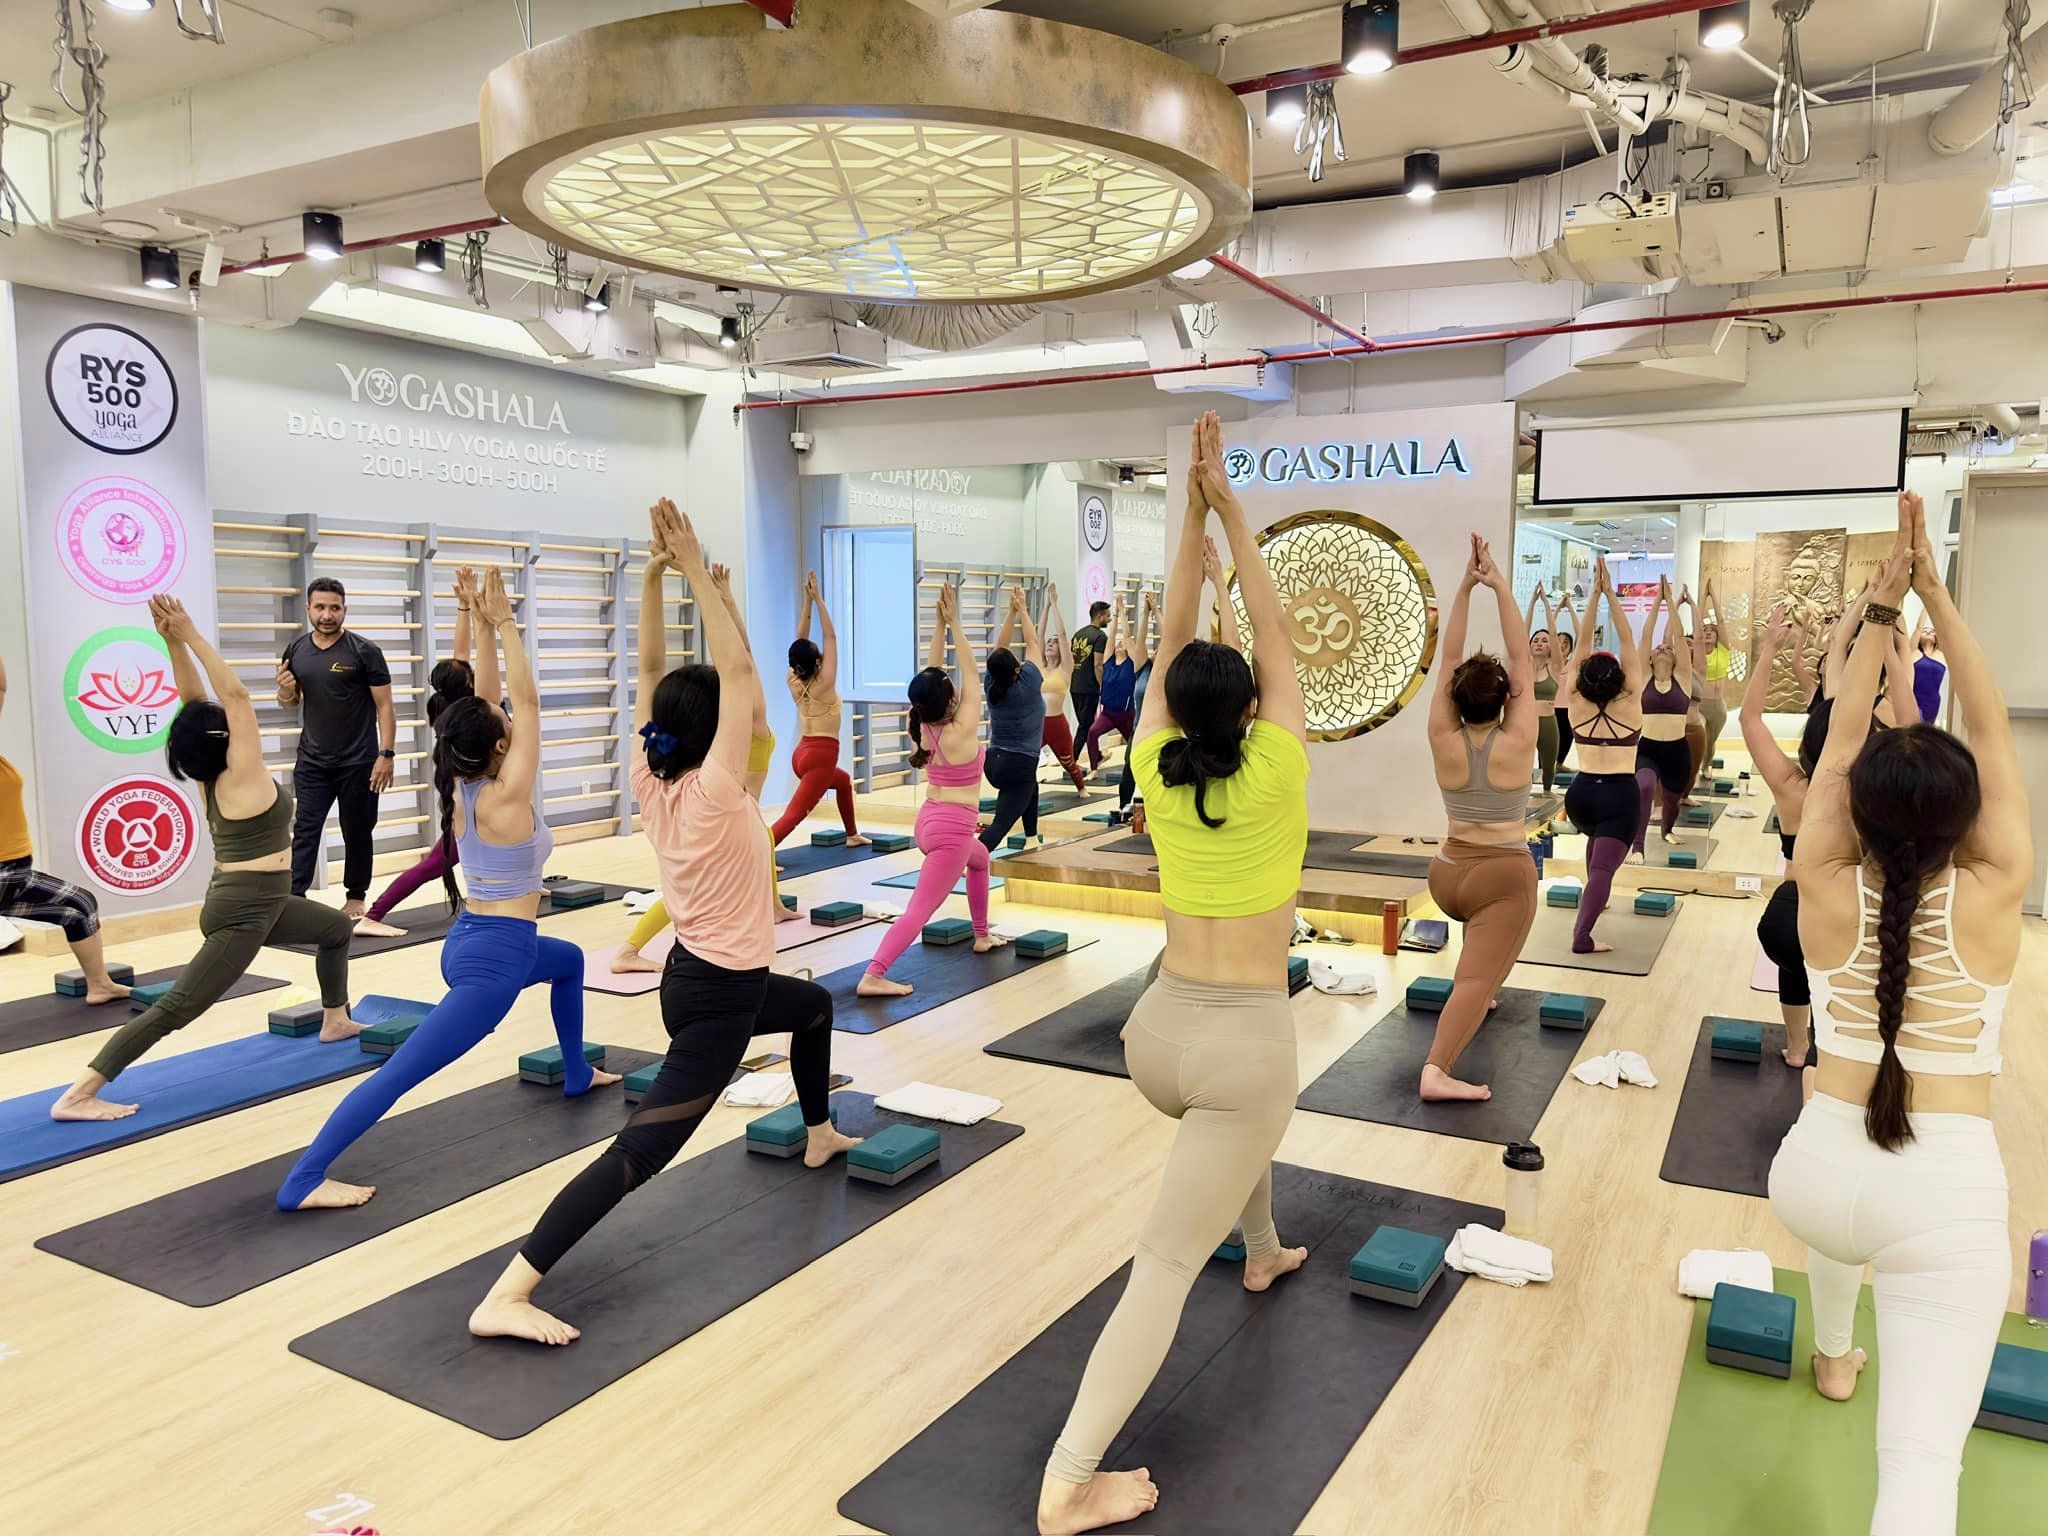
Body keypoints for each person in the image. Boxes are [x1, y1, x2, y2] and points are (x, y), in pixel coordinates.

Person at [466, 498, 858, 1345]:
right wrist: (690, 568)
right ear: (710, 731)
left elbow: (649, 667)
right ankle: (509, 1292)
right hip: (717, 1003)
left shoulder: (653, 782)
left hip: (700, 979)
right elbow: (738, 675)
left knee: (813, 1008)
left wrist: (654, 576)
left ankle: (820, 1132)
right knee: (639, 1155)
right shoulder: (716, 790)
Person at [1037, 413, 1310, 1536]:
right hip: (1242, 1047)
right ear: (1250, 711)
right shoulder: (1280, 761)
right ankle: (1068, 1479)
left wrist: (1192, 519)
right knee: (1161, 1263)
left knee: (1229, 1143)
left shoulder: (1151, 759)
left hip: (1152, 1037)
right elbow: (1275, 631)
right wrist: (1231, 508)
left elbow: (1176, 643)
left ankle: (1263, 1250)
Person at [1768, 491, 2025, 1536]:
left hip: (1812, 1178)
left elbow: (1837, 746)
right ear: (1970, 815)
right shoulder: (1997, 887)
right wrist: (1936, 601)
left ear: (1854, 810)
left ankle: (1835, 1357)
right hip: (1938, 1199)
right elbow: (1990, 722)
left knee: (1848, 1221)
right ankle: (1842, 1360)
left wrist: (1883, 611)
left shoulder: (1822, 877)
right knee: (1918, 1473)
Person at [276, 568, 618, 1209]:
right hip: (493, 965)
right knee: (398, 1076)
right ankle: (303, 1180)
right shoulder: (507, 794)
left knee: (569, 961)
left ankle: (577, 1073)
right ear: (499, 743)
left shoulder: (460, 779)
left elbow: (486, 704)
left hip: (473, 941)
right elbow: (526, 705)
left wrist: (482, 624)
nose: (507, 718)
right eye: (503, 724)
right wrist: (506, 623)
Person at [53, 598, 362, 1121]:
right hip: (243, 911)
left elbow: (193, 702)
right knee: (180, 1006)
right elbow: (235, 696)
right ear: (225, 739)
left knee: (334, 929)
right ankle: (79, 1094)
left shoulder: (209, 774)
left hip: (263, 900)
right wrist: (192, 633)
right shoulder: (242, 775)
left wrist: (171, 640)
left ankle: (336, 1019)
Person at [1423, 535, 1539, 1103]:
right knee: (1472, 979)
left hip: (1445, 873)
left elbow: (1448, 659)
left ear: (1456, 698)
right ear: (1505, 698)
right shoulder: (1518, 740)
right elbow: (1523, 662)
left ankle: (1482, 987)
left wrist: (1466, 587)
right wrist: (1499, 586)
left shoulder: (1441, 736)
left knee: (1481, 966)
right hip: (1501, 876)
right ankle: (1437, 1070)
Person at [857, 581, 1008, 999]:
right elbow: (972, 672)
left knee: (980, 860)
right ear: (949, 696)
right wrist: (956, 623)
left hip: (929, 822)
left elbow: (932, 673)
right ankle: (874, 974)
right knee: (919, 911)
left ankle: (982, 935)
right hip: (951, 832)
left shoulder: (925, 723)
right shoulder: (961, 728)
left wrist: (940, 626)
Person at [355, 568, 483, 937]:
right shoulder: (472, 712)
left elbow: (461, 654)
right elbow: (466, 658)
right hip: (472, 804)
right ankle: (373, 916)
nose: (473, 669)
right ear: (467, 685)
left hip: (477, 799)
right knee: (435, 864)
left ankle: (527, 884)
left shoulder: (456, 704)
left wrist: (464, 607)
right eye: (470, 672)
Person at [0, 654, 128, 1007]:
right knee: (79, 905)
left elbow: (1, 688)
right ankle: (99, 984)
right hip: (6, 874)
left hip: (14, 871)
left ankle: (99, 985)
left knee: (75, 910)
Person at [276, 577, 396, 919]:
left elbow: (385, 706)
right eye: (320, 607)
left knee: (357, 830)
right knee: (305, 828)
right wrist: (285, 691)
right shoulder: (296, 650)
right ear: (308, 609)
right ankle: (294, 898)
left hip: (359, 762)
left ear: (344, 609)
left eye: (334, 608)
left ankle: (356, 897)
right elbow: (290, 702)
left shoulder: (365, 651)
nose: (327, 615)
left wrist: (386, 755)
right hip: (312, 761)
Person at [1744, 603, 1827, 1069]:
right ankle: (1830, 1050)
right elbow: (1910, 716)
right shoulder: (1870, 791)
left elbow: (1750, 719)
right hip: (1840, 908)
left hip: (1790, 914)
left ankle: (1797, 1048)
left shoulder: (1794, 787)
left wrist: (1769, 649)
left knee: (1795, 966)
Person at [1558, 561, 1646, 954]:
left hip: (1580, 796)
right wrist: (1611, 594)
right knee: (1603, 868)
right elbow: (1628, 640)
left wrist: (1593, 596)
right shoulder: (1631, 698)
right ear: (1619, 677)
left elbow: (1581, 645)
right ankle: (1582, 938)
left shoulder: (1576, 698)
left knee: (1597, 848)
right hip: (1618, 795)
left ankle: (1598, 897)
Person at [769, 571, 869, 850]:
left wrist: (808, 601)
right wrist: (819, 599)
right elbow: (831, 636)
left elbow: (799, 641)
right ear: (816, 663)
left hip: (802, 753)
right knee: (794, 815)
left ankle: (852, 834)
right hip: (821, 756)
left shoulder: (793, 679)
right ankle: (762, 853)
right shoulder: (824, 683)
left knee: (844, 782)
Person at [981, 585, 1047, 851]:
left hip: (994, 762)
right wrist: (1023, 611)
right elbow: (1033, 643)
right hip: (1018, 764)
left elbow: (999, 648)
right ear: (1017, 669)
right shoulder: (1028, 683)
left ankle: (1031, 838)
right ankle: (966, 863)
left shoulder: (991, 684)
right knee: (1000, 824)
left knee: (1030, 786)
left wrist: (1010, 613)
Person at [1635, 577, 1697, 851]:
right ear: (1649, 659)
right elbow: (1646, 636)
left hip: (1676, 749)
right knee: (1644, 787)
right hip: (1648, 747)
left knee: (1672, 799)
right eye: (1658, 648)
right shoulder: (1644, 677)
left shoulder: (1682, 678)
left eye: (1668, 648)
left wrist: (1670, 601)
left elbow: (1680, 638)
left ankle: (1667, 830)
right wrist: (1656, 601)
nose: (1662, 647)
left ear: (1675, 659)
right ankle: (1638, 844)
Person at [1036, 585, 1089, 794]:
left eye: (1054, 643)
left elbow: (1063, 634)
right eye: (1049, 642)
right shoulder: (1040, 667)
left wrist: (1055, 604)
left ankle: (1081, 788)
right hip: (1037, 722)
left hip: (1056, 723)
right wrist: (1046, 606)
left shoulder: (1065, 669)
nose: (1050, 644)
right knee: (1027, 757)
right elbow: (1038, 635)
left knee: (1068, 762)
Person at [1083, 596, 1140, 772]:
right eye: (1118, 644)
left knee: (1134, 743)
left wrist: (1122, 612)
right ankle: (1094, 768)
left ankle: (1137, 768)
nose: (1119, 645)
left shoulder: (1132, 664)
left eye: (1123, 645)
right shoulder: (1108, 662)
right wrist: (1114, 614)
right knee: (1092, 733)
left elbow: (1127, 636)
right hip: (1108, 714)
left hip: (1126, 715)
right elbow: (1112, 636)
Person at [1691, 580, 1732, 794]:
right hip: (1699, 704)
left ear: (1717, 637)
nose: (1707, 632)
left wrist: (1712, 596)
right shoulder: (1696, 651)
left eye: (1711, 631)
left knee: (1711, 739)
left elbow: (1721, 621)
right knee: (1700, 737)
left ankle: (1706, 765)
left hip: (1718, 705)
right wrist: (1701, 599)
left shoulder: (1723, 650)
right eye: (1704, 630)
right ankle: (1695, 771)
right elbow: (1696, 622)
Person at [1524, 583, 1560, 793]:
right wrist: (1531, 602)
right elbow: (1522, 633)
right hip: (1526, 722)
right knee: (1522, 766)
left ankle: (1547, 796)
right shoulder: (1524, 666)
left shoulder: (1554, 667)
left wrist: (1546, 603)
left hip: (1548, 722)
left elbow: (1554, 634)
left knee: (1548, 769)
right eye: (1535, 640)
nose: (1539, 643)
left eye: (1544, 641)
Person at [1069, 599, 1110, 765]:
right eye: (1107, 616)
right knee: (1085, 726)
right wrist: (1103, 686)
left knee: (1086, 725)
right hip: (1089, 687)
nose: (1109, 619)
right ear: (1100, 616)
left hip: (1075, 686)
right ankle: (1071, 760)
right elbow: (1098, 665)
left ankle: (1096, 756)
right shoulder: (1100, 637)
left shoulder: (1077, 634)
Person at [1913, 626, 1946, 724]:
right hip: (1914, 699)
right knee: (1913, 728)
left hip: (1933, 702)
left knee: (1927, 730)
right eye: (1924, 631)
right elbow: (1918, 627)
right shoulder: (1914, 652)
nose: (1928, 632)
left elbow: (1944, 633)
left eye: (1932, 631)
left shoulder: (1940, 654)